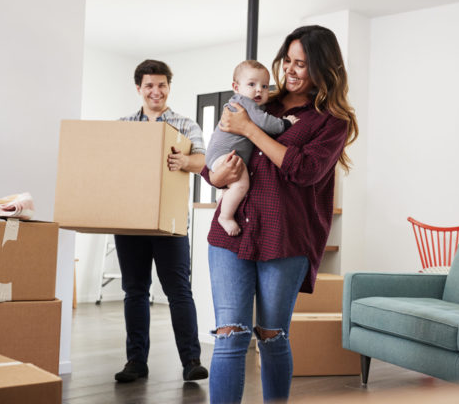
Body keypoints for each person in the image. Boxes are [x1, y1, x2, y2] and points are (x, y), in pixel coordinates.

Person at [200, 25, 358, 403]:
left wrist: (251, 131)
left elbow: (304, 170)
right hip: (231, 235)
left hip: (285, 240)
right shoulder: (257, 101)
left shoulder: (332, 121)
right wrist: (214, 175)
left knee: (272, 336)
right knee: (229, 335)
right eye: (287, 60)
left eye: (301, 64)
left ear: (324, 69)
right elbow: (218, 157)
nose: (289, 69)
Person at [113, 59, 209, 383]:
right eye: (149, 85)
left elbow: (203, 161)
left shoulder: (184, 124)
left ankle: (191, 361)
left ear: (169, 86)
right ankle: (136, 362)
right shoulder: (123, 125)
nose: (156, 91)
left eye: (162, 84)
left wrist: (185, 160)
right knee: (135, 291)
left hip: (170, 224)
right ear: (139, 88)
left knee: (179, 290)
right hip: (130, 222)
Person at [205, 60, 299, 236]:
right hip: (224, 154)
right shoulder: (244, 103)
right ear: (236, 87)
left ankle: (225, 197)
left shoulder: (242, 103)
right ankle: (225, 216)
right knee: (241, 183)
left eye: (264, 86)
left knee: (234, 182)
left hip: (218, 154)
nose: (259, 90)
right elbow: (264, 122)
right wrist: (286, 123)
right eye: (251, 84)